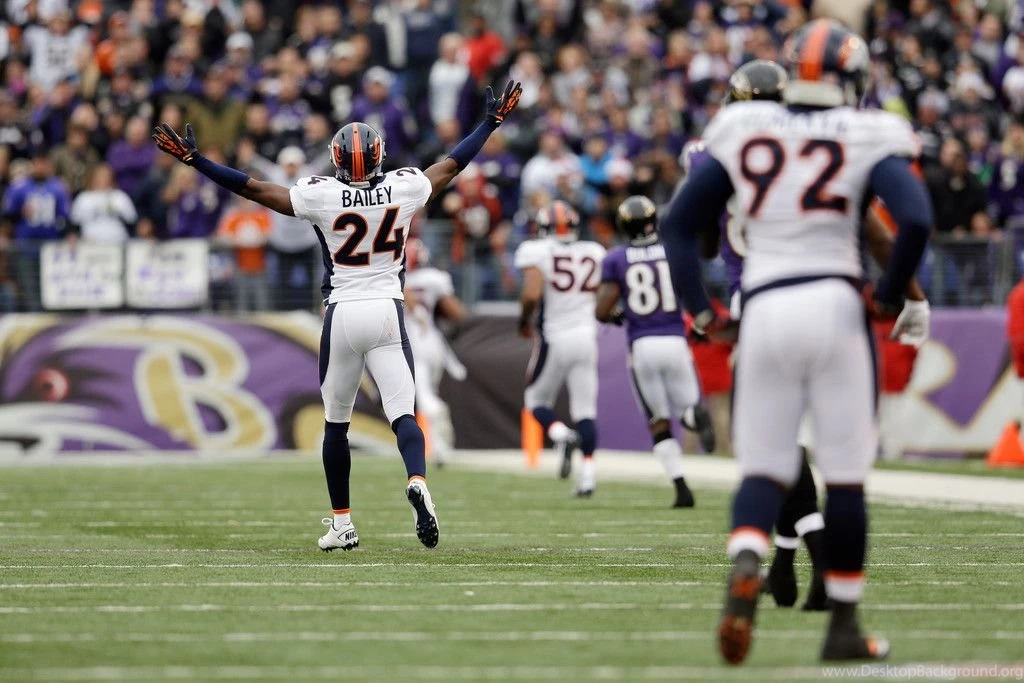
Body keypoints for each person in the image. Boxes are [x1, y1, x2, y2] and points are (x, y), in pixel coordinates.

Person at [152, 80, 522, 551]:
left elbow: (254, 188)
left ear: (336, 158)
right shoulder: (404, 187)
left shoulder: (321, 195)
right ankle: (416, 478)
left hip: (343, 312)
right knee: (403, 414)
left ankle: (342, 523)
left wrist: (196, 161)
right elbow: (453, 163)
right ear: (380, 156)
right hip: (387, 309)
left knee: (336, 425)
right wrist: (490, 123)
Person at [660, 21, 932, 664]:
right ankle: (843, 626)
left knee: (763, 467)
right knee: (845, 478)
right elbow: (915, 220)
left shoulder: (739, 129)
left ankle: (749, 556)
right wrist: (891, 295)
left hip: (763, 306)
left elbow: (679, 227)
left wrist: (700, 312)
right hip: (835, 304)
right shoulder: (869, 131)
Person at [594, 195, 714, 508]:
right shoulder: (672, 250)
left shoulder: (617, 258)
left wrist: (618, 315)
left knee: (658, 419)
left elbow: (602, 310)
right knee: (687, 411)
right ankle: (694, 416)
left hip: (643, 344)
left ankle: (681, 488)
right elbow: (693, 289)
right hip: (675, 339)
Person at [514, 200, 606, 496]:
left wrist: (524, 322)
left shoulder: (537, 250)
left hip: (555, 336)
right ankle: (588, 477)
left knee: (535, 401)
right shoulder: (594, 251)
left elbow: (531, 294)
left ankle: (562, 435)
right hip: (587, 336)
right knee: (585, 410)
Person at [404, 237, 467, 466]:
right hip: (433, 341)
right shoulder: (434, 278)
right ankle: (440, 451)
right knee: (430, 392)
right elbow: (458, 313)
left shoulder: (399, 278)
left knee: (425, 399)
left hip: (412, 341)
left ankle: (436, 413)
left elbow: (404, 290)